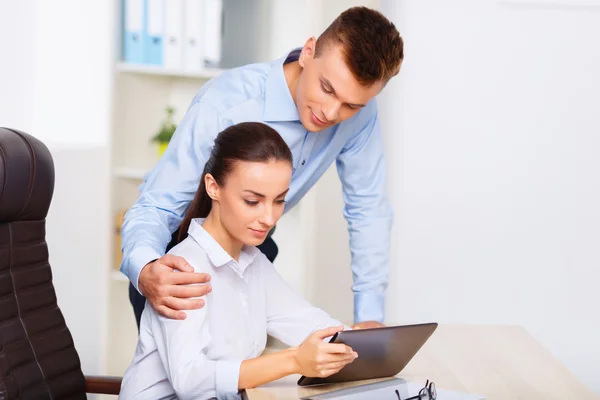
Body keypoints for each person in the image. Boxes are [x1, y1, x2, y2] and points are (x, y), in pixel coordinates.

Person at [120, 6, 404, 330]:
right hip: (177, 258)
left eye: (351, 105)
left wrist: (370, 317)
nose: (331, 112)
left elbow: (368, 208)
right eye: (327, 88)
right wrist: (146, 269)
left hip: (251, 251)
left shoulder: (361, 117)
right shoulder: (227, 103)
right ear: (308, 52)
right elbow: (156, 204)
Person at [119, 122, 357, 400]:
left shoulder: (254, 264)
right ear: (213, 187)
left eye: (279, 200)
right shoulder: (183, 270)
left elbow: (309, 323)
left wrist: (366, 344)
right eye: (252, 201)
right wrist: (294, 361)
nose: (269, 218)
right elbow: (190, 380)